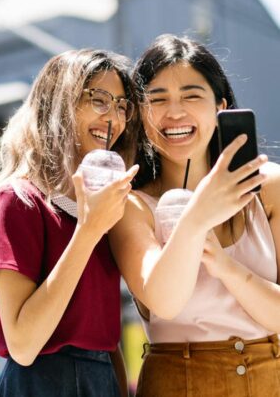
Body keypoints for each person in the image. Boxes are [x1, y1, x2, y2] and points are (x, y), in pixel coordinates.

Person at [109, 34, 280, 397]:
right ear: (140, 112)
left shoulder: (269, 187)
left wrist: (226, 267)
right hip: (177, 384)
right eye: (157, 99)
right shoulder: (130, 205)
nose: (174, 113)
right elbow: (165, 302)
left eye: (191, 95)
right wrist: (197, 218)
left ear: (220, 106)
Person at [0, 48, 140, 397]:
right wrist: (88, 231)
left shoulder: (100, 209)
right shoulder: (19, 200)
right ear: (59, 102)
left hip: (102, 381)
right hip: (39, 382)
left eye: (121, 104)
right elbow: (22, 344)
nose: (113, 115)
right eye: (98, 99)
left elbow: (106, 339)